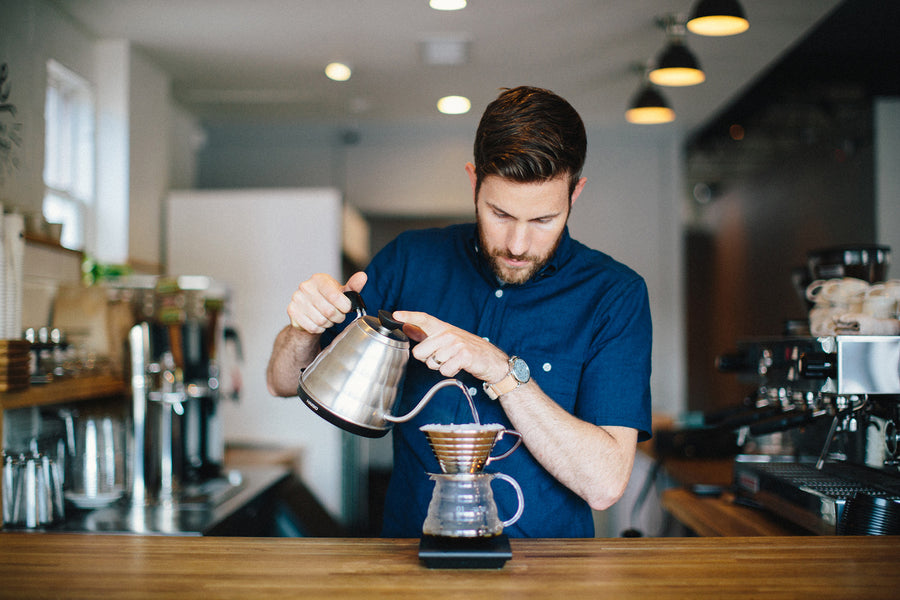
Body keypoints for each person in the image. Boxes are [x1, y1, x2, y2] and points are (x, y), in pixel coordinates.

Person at [266, 86, 652, 538]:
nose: (518, 244)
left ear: (576, 193)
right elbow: (284, 382)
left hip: (549, 577)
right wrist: (302, 328)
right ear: (473, 182)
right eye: (500, 213)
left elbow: (605, 484)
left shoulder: (614, 295)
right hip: (409, 564)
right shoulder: (409, 260)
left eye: (544, 220)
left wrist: (500, 368)